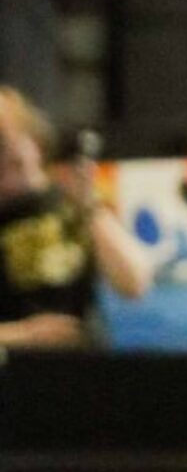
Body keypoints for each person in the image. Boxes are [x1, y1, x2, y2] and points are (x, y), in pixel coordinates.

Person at [0, 86, 151, 345]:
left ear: (34, 141)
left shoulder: (72, 203)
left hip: (81, 361)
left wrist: (87, 205)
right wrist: (24, 334)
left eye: (6, 141)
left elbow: (134, 283)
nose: (6, 156)